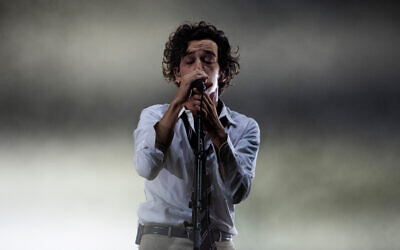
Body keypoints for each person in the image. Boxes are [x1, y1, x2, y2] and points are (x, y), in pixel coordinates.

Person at [133, 21, 260, 250]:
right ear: (177, 74)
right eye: (189, 61)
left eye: (208, 60)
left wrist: (217, 132)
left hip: (218, 242)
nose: (199, 68)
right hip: (163, 239)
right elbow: (146, 167)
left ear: (223, 73)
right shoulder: (154, 116)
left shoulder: (245, 127)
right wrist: (176, 106)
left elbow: (238, 191)